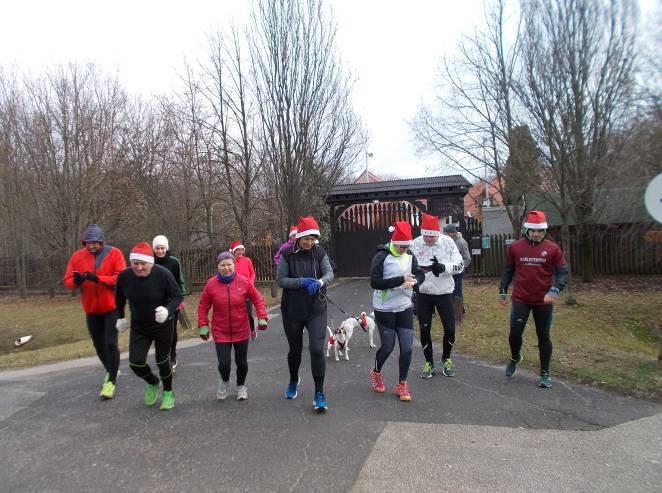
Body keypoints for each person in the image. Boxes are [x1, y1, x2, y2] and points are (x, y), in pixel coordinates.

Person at [499, 210, 568, 388]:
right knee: (514, 334)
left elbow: (562, 274)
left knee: (543, 336)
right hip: (521, 298)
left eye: (539, 231)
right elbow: (508, 271)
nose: (536, 234)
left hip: (542, 301)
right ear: (527, 230)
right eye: (532, 230)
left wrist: (554, 290)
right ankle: (515, 357)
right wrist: (502, 291)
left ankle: (545, 372)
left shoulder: (553, 248)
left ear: (544, 231)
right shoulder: (515, 247)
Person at [115, 242, 183, 410]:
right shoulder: (124, 276)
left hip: (162, 325)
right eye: (135, 263)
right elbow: (119, 298)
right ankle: (152, 382)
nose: (138, 267)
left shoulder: (163, 274)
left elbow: (177, 296)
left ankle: (168, 392)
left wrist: (167, 310)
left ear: (150, 263)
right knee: (135, 363)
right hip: (140, 327)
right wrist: (120, 318)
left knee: (162, 362)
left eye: (142, 263)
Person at [277, 215, 334, 412]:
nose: (309, 242)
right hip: (292, 310)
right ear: (298, 238)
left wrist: (319, 282)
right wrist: (301, 282)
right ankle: (293, 380)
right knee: (295, 350)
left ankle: (319, 392)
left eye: (313, 238)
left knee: (317, 349)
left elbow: (329, 274)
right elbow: (281, 280)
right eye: (306, 238)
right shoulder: (287, 254)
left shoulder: (319, 252)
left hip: (316, 309)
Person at [63, 224, 126, 400]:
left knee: (111, 343)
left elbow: (120, 278)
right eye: (88, 243)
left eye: (95, 243)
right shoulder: (77, 257)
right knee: (99, 345)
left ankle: (111, 382)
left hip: (111, 307)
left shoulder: (114, 253)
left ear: (101, 242)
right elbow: (68, 280)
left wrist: (97, 278)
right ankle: (111, 370)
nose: (91, 246)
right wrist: (76, 281)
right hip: (91, 309)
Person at [197, 251, 268, 401]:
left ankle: (241, 386)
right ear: (218, 266)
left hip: (240, 329)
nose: (226, 268)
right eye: (223, 265)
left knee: (241, 362)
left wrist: (262, 317)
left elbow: (258, 299)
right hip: (220, 330)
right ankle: (224, 381)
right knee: (224, 363)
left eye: (229, 264)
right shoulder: (211, 284)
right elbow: (203, 306)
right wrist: (203, 324)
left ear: (234, 265)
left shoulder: (243, 281)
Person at [369, 221, 425, 401]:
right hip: (384, 308)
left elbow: (419, 273)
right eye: (401, 247)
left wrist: (416, 281)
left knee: (407, 348)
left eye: (406, 247)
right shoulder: (382, 256)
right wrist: (400, 280)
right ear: (394, 243)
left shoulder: (410, 255)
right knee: (387, 347)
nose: (403, 250)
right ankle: (376, 372)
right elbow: (375, 282)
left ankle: (402, 384)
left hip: (405, 306)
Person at [411, 214, 464, 379]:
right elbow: (405, 263)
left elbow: (460, 265)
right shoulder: (415, 243)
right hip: (423, 293)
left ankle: (446, 359)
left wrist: (443, 267)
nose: (428, 239)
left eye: (432, 236)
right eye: (426, 235)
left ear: (437, 233)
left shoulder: (448, 242)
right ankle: (428, 363)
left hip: (444, 293)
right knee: (425, 328)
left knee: (450, 328)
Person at [152, 235, 189, 370]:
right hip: (155, 302)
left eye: (162, 248)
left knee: (171, 331)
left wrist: (180, 296)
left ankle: (172, 355)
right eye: (157, 248)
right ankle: (162, 355)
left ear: (166, 248)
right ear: (153, 249)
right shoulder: (150, 261)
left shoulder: (174, 262)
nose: (160, 251)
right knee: (157, 331)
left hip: (171, 301)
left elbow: (180, 280)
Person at [443, 223, 471, 320]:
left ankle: (459, 313)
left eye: (447, 233)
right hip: (448, 271)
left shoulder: (461, 242)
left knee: (457, 291)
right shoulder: (446, 241)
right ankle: (453, 310)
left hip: (457, 272)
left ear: (453, 233)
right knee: (448, 291)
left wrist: (459, 268)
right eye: (445, 233)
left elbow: (467, 258)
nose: (445, 234)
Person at [230, 240, 257, 335]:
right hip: (234, 291)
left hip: (247, 289)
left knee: (248, 313)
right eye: (238, 250)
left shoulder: (247, 260)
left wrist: (251, 282)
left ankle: (252, 329)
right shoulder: (230, 262)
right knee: (237, 313)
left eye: (242, 250)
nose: (241, 252)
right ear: (233, 251)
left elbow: (252, 273)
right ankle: (239, 331)